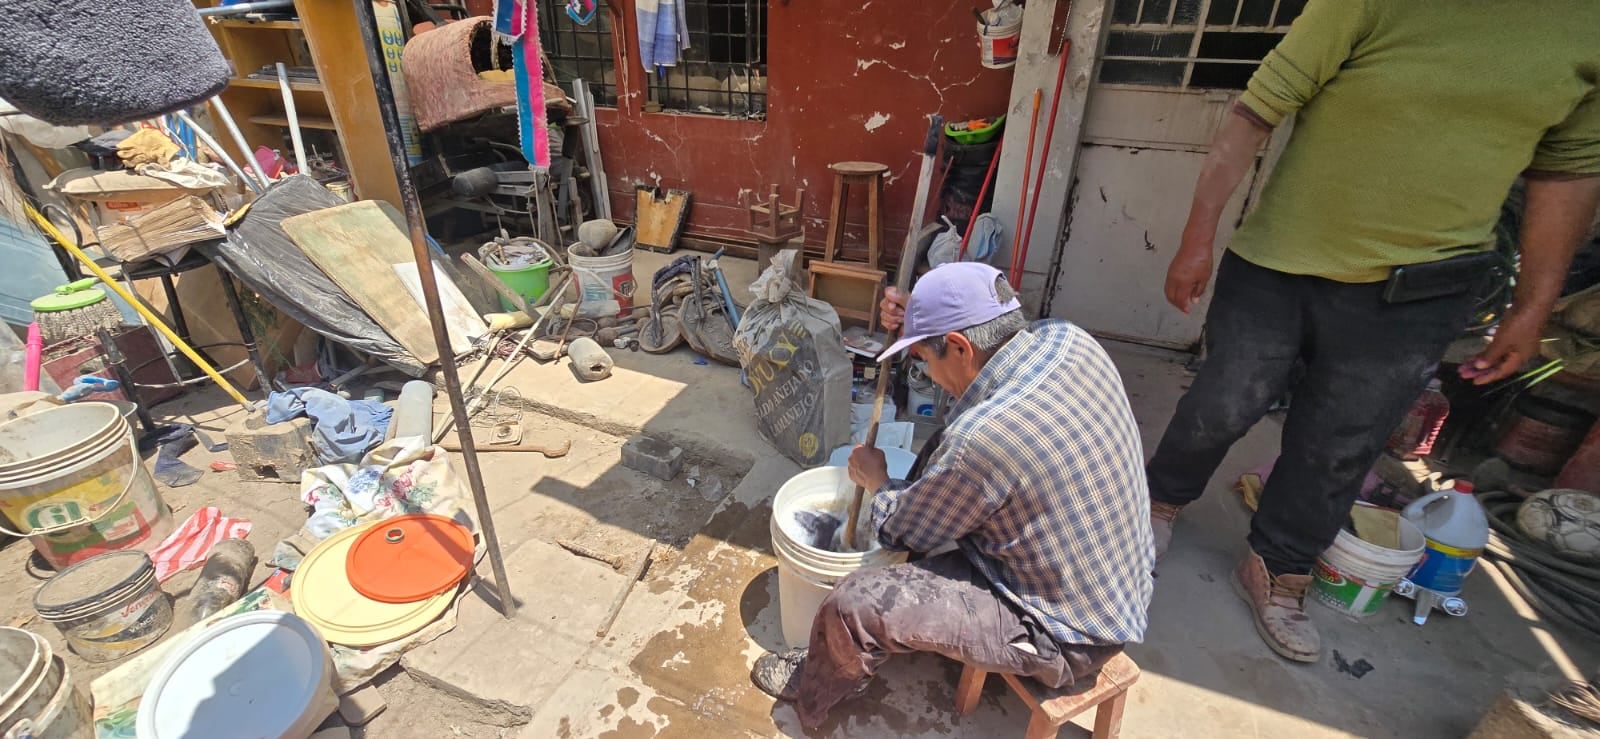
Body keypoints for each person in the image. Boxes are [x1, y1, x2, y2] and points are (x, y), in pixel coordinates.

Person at [1149, 0, 1600, 663]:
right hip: (1280, 263)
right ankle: (1159, 504)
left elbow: (1567, 174)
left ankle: (1278, 567)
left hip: (1423, 286)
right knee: (1222, 402)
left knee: (1341, 441)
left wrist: (1533, 307)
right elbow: (1254, 112)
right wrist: (1197, 237)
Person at [750, 262, 1153, 729]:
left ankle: (812, 688)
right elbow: (971, 382)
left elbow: (904, 529)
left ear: (960, 345)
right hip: (1116, 581)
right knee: (937, 465)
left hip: (1066, 629)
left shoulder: (985, 437)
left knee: (854, 604)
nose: (925, 371)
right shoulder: (1068, 339)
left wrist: (878, 484)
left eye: (924, 359)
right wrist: (920, 323)